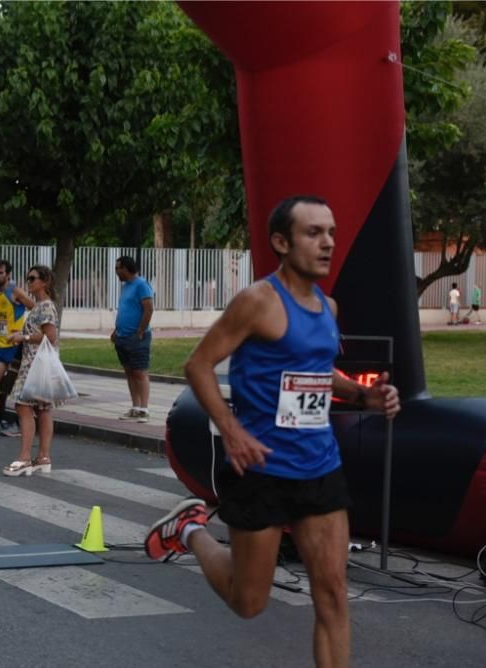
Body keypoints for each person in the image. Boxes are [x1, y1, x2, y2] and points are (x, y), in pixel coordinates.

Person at [143, 196, 401, 668]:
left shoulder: (329, 307)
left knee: (334, 596)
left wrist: (363, 395)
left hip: (320, 468)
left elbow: (319, 373)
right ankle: (192, 530)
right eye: (313, 233)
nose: (327, 243)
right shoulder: (258, 301)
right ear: (281, 242)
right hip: (260, 468)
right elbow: (198, 364)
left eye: (331, 233)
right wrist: (231, 429)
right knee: (248, 601)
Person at [2, 265, 61, 476]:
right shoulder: (39, 306)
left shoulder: (45, 306)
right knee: (43, 409)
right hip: (37, 364)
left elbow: (50, 336)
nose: (29, 282)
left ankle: (25, 457)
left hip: (35, 365)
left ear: (44, 282)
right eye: (28, 278)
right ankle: (43, 457)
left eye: (33, 278)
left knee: (23, 406)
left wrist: (23, 337)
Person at [0, 260, 34, 436]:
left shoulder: (15, 291)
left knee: (13, 388)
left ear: (8, 274)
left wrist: (23, 333)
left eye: (0, 273)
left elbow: (35, 309)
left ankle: (17, 423)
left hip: (14, 347)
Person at [111, 255, 154, 423]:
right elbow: (125, 310)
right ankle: (135, 407)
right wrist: (116, 330)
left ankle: (144, 409)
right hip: (122, 336)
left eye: (117, 268)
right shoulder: (126, 287)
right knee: (129, 371)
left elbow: (148, 309)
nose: (116, 272)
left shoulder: (142, 285)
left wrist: (141, 331)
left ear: (125, 268)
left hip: (137, 337)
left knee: (140, 372)